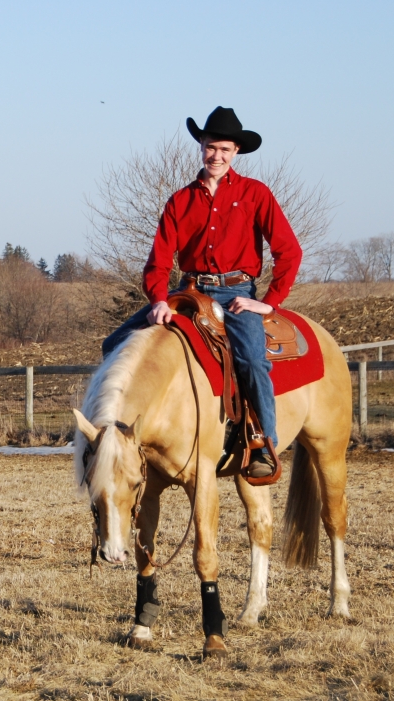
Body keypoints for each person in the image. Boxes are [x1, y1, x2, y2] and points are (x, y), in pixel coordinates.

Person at [102, 107, 302, 479]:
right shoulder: (180, 201)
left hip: (237, 292)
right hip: (190, 290)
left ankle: (263, 442)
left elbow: (289, 251)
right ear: (201, 146)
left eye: (225, 149)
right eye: (211, 147)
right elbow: (159, 260)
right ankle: (118, 437)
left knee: (253, 361)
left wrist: (267, 303)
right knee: (114, 343)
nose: (217, 156)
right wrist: (159, 300)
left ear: (236, 152)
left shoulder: (256, 194)